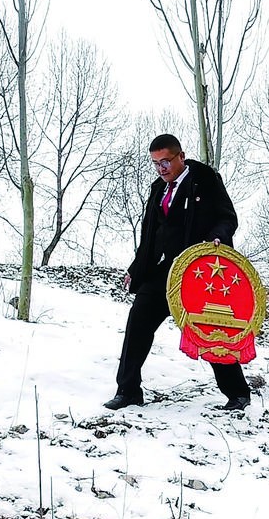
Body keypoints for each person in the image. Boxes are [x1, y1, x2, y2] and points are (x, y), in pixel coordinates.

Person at [105, 134, 251, 412]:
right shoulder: (157, 190)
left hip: (199, 272)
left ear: (180, 157)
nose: (161, 169)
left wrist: (217, 238)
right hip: (166, 271)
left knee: (209, 328)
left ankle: (237, 393)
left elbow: (227, 217)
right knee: (138, 321)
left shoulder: (206, 179)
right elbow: (149, 236)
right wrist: (136, 270)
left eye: (166, 162)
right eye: (156, 163)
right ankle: (128, 391)